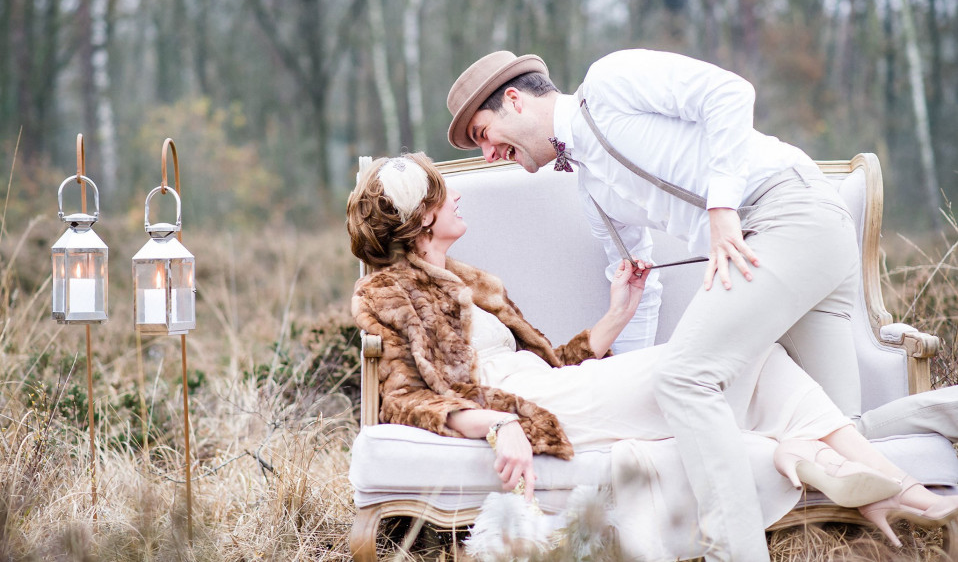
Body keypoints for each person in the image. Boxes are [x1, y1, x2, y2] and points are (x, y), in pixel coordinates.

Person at [347, 153, 958, 560]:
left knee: (745, 365)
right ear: (423, 215)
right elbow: (405, 400)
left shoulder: (471, 281)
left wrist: (618, 312)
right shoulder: (386, 292)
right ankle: (895, 488)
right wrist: (499, 425)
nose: (459, 202)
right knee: (735, 363)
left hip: (557, 388)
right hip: (530, 406)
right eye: (444, 196)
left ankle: (831, 467)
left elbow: (553, 362)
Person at [444, 49, 865, 560]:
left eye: (484, 133)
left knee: (685, 381)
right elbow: (640, 285)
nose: (486, 153)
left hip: (788, 214)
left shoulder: (610, 81)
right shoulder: (593, 192)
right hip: (784, 251)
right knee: (845, 430)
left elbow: (731, 93)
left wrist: (721, 208)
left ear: (513, 101)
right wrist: (619, 374)